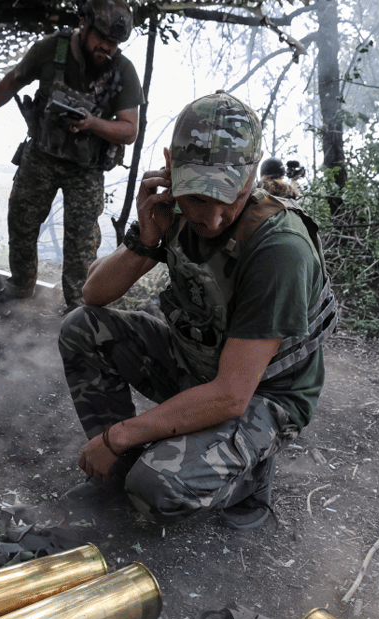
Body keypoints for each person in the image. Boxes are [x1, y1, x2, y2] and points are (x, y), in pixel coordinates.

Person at [57, 92, 337, 530]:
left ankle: (249, 479)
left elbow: (231, 394)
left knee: (154, 489)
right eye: (199, 197)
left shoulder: (280, 249)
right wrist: (146, 241)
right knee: (82, 329)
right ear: (170, 165)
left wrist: (118, 435)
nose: (214, 217)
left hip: (261, 394)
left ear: (252, 174)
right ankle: (125, 465)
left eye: (233, 195)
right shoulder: (170, 209)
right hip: (198, 362)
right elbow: (92, 294)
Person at [0, 0, 143, 312]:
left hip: (86, 169)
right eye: (102, 39)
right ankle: (20, 286)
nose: (107, 48)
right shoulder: (51, 50)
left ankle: (78, 306)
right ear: (83, 24)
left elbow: (129, 130)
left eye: (114, 43)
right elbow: (12, 82)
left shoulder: (122, 70)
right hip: (42, 156)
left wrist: (92, 123)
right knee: (21, 221)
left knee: (82, 243)